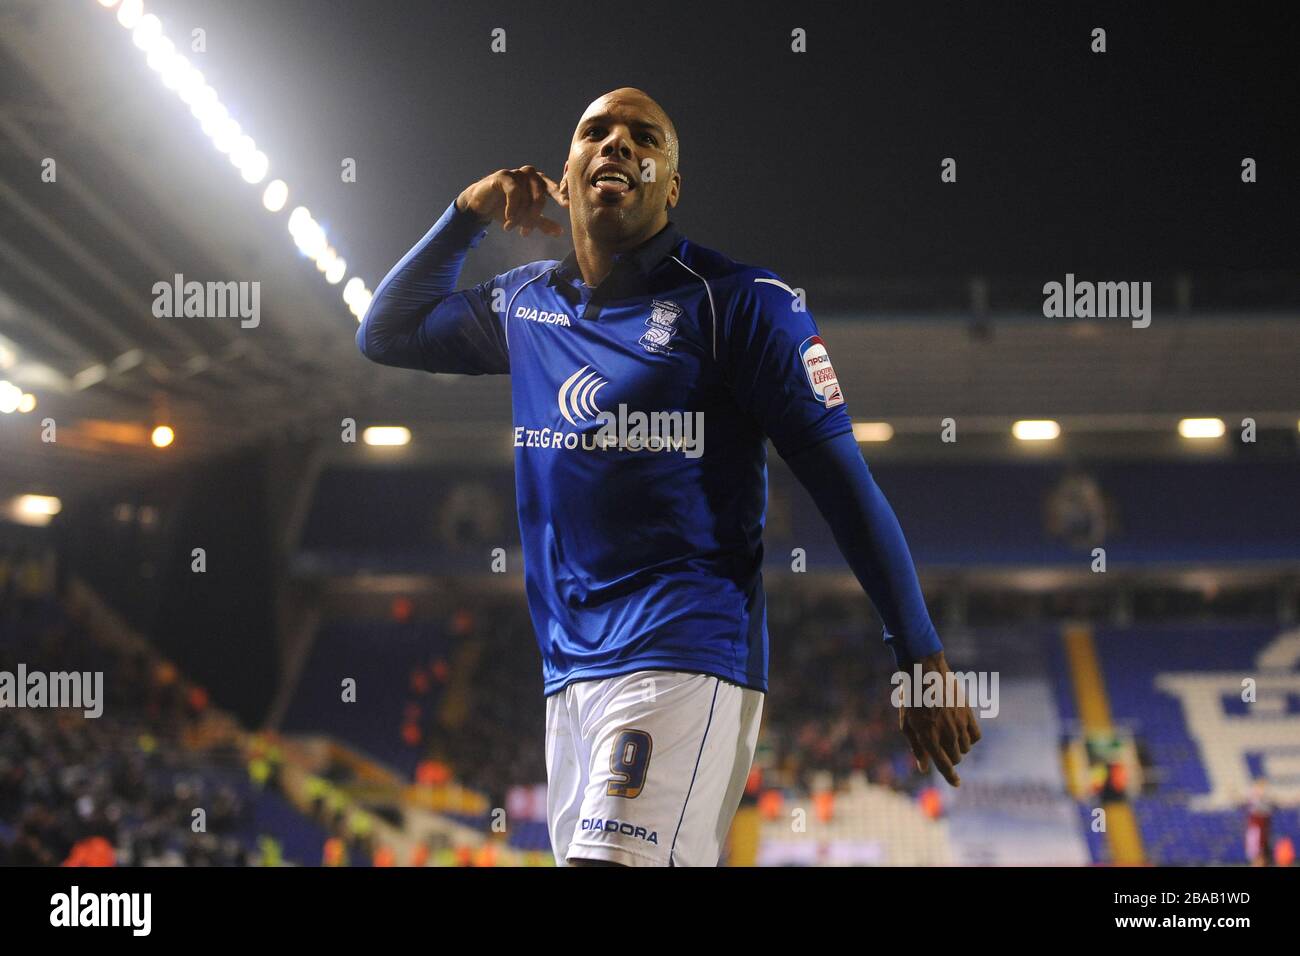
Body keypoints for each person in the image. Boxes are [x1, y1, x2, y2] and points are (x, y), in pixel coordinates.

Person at [358, 88, 980, 866]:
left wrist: (919, 656)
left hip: (685, 652)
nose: (616, 144)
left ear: (670, 186)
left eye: (641, 137)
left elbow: (841, 483)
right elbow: (385, 333)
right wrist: (468, 213)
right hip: (568, 675)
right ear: (567, 170)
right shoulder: (526, 304)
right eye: (596, 133)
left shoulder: (740, 305)